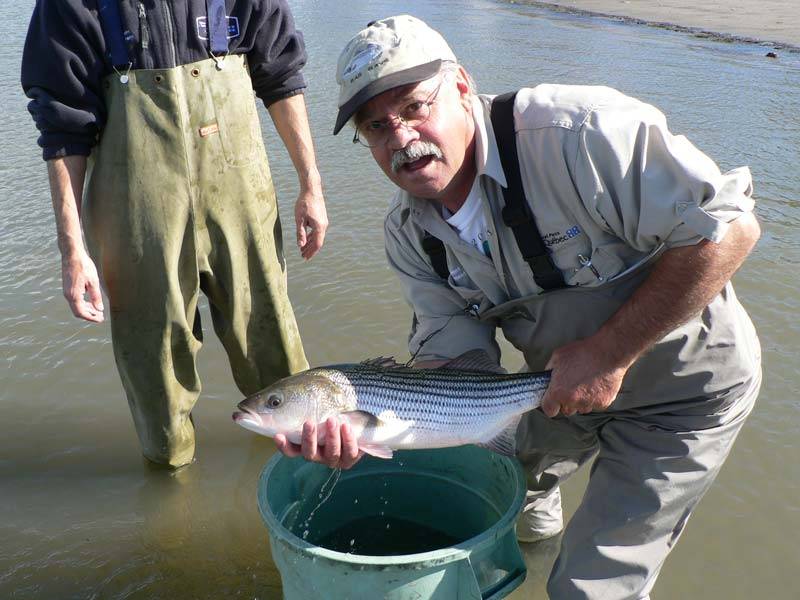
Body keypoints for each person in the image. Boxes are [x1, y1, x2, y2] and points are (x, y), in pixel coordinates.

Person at [277, 14, 763, 600]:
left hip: (682, 397)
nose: (401, 138)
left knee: (590, 588)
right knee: (501, 490)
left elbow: (730, 231)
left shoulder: (581, 133)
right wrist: (376, 433)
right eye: (376, 127)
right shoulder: (409, 235)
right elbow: (455, 365)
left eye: (413, 107)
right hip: (554, 391)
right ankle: (531, 563)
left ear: (461, 86)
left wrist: (609, 354)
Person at [21, 0, 328, 469]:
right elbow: (61, 125)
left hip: (242, 193)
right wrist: (72, 247)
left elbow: (281, 74)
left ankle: (306, 479)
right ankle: (171, 506)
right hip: (136, 211)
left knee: (279, 357)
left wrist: (311, 184)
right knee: (156, 377)